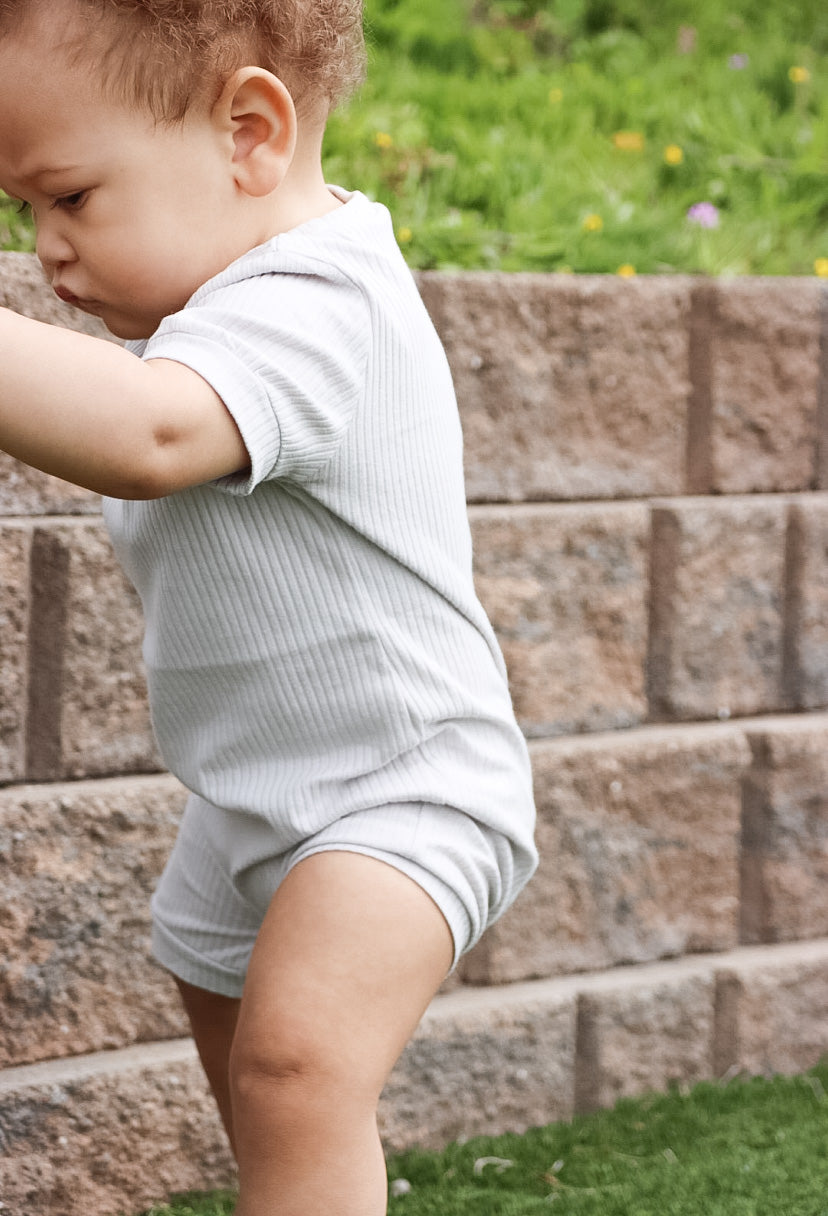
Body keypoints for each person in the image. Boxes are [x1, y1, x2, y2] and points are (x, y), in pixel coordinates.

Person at [0, 1, 538, 1212]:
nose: (48, 248)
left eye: (70, 197)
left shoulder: (322, 297)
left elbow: (152, 432)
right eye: (23, 211)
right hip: (249, 800)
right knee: (265, 1095)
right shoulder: (219, 315)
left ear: (251, 131)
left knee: (296, 1072)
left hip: (408, 785)